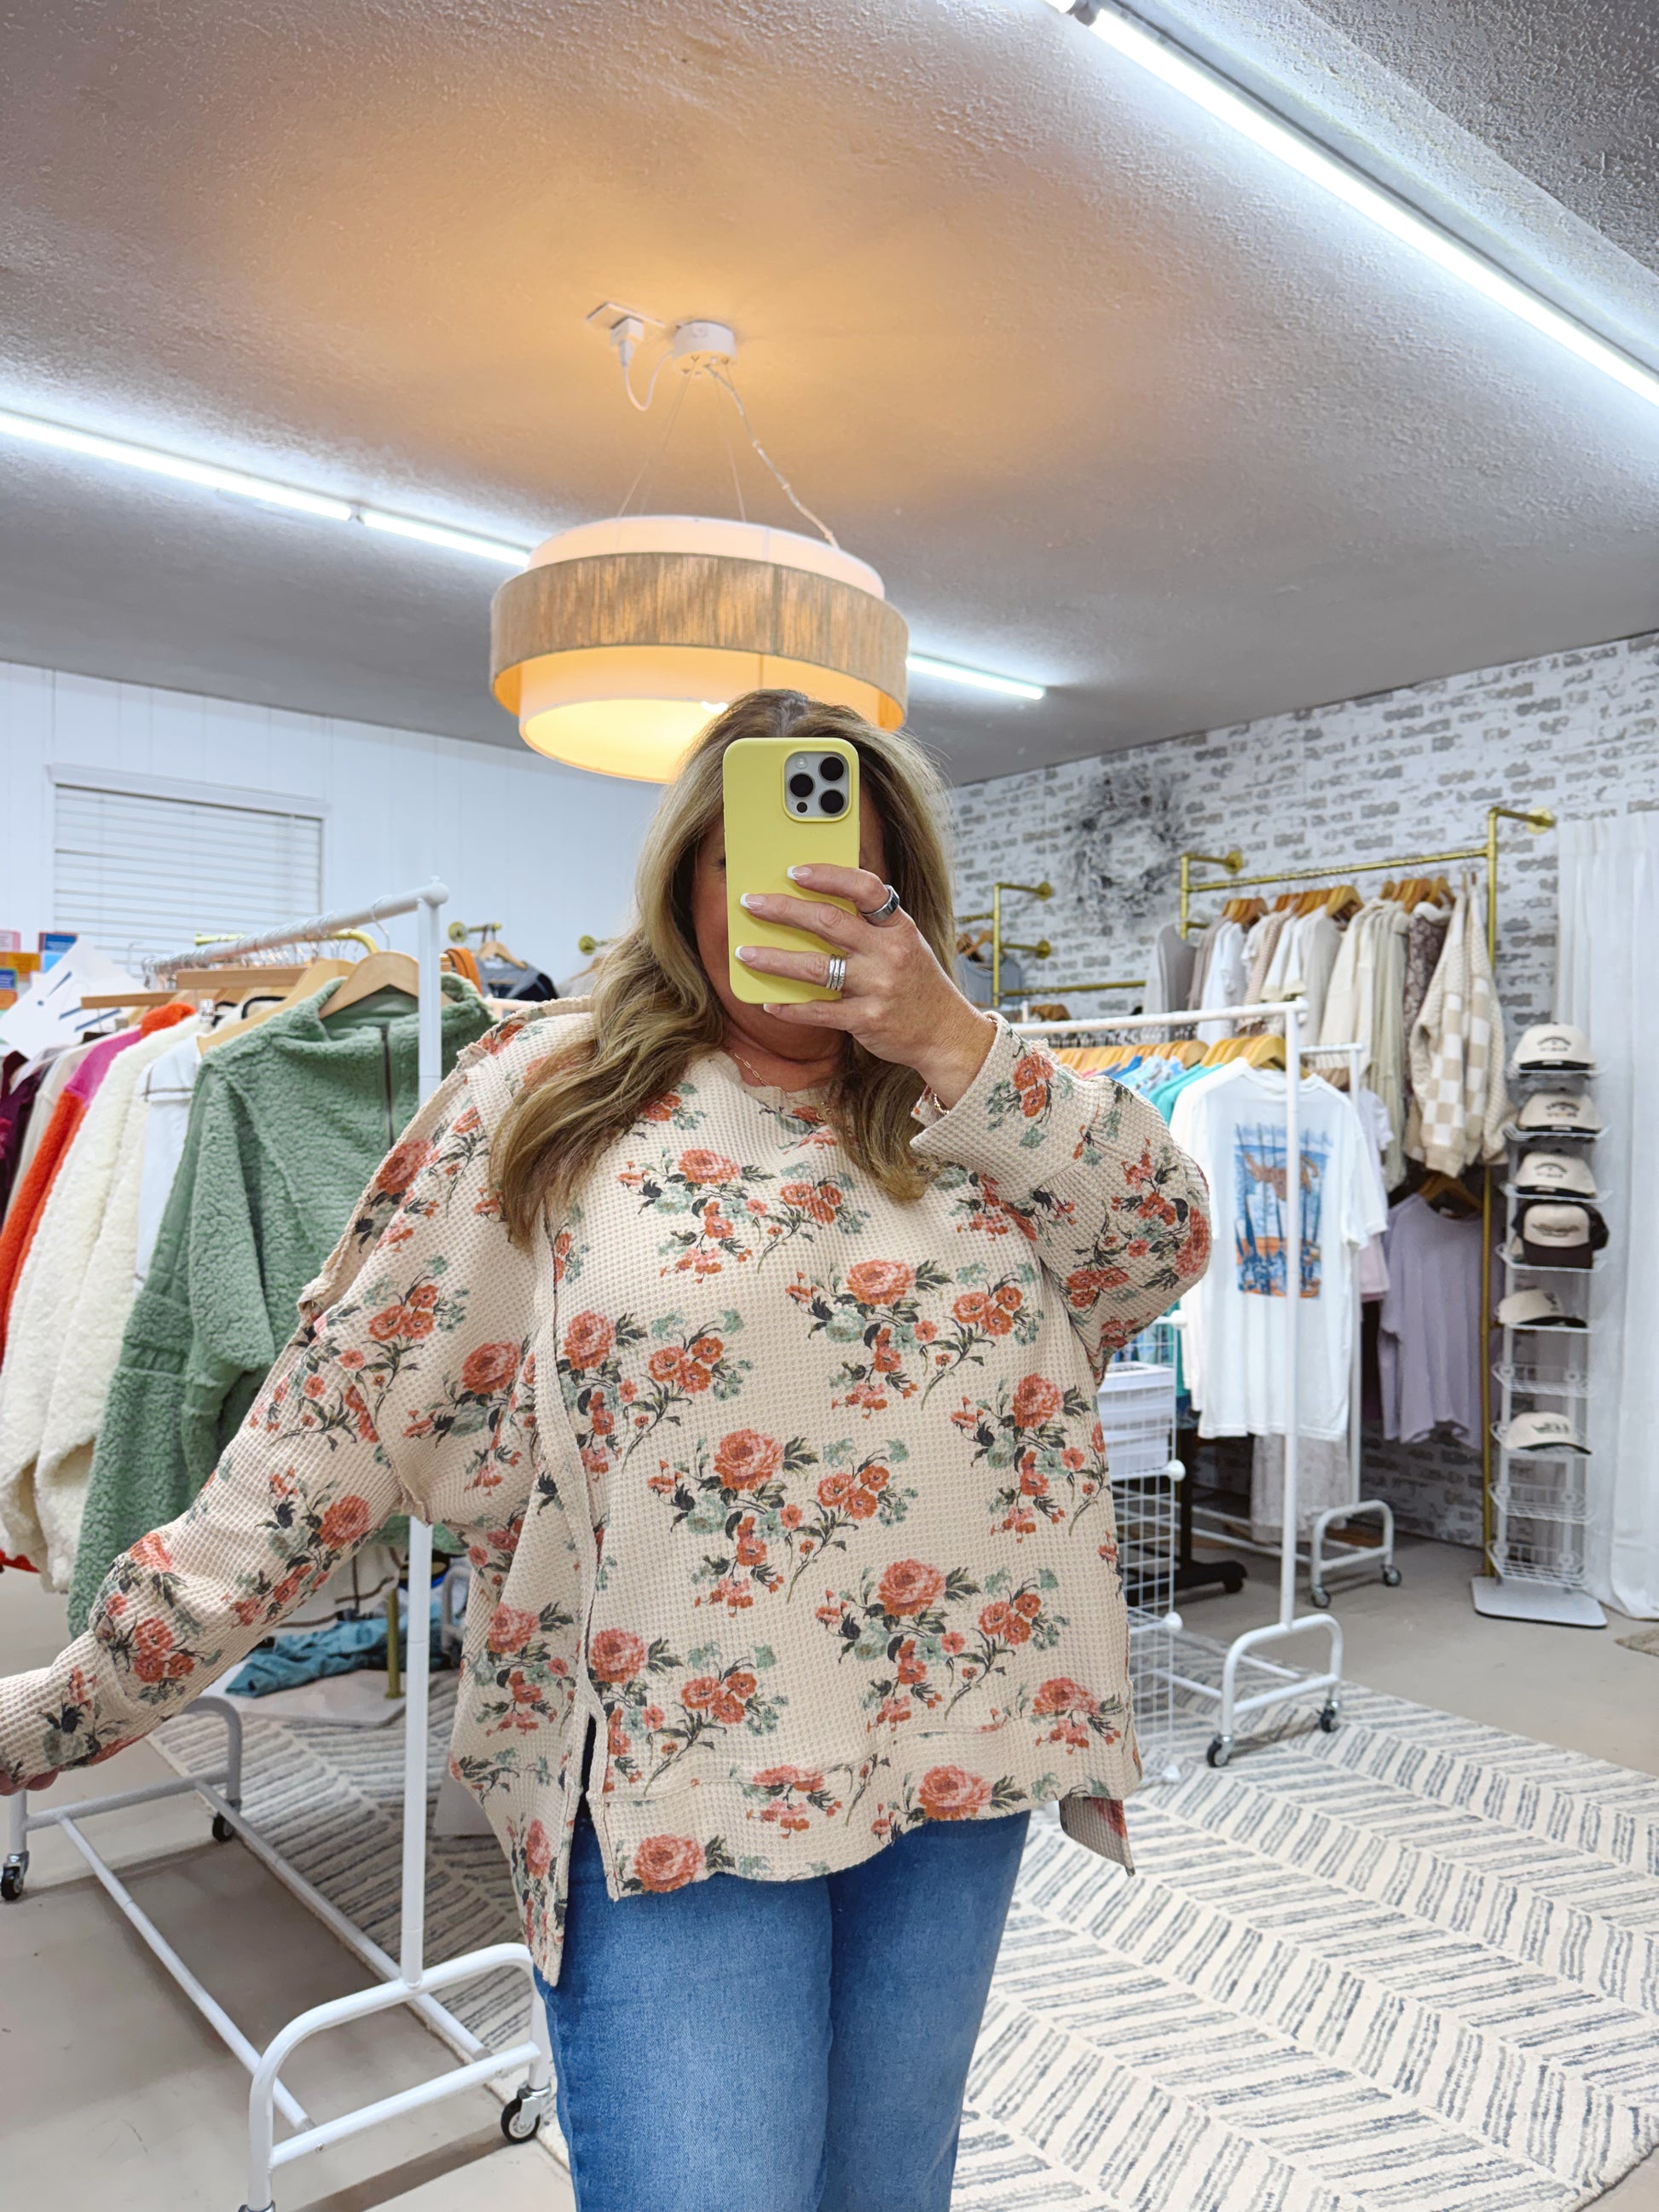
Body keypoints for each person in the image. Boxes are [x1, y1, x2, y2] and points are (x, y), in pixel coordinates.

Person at [0, 690, 1210, 2212]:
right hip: (670, 1781)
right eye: (752, 860)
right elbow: (334, 1418)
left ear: (905, 898)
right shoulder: (556, 1096)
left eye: (851, 868)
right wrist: (73, 1703)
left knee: (889, 2188)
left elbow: (1161, 1241)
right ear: (686, 879)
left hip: (962, 1750)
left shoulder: (972, 1104)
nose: (801, 898)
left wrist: (948, 1040)